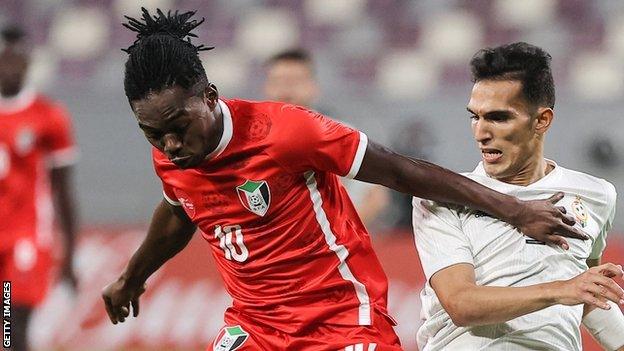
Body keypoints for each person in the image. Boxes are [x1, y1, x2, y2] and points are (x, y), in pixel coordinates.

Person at [102, 10, 587, 351]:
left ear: (209, 96)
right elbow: (176, 212)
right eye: (152, 132)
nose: (167, 145)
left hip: (339, 323)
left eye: (177, 127)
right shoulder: (172, 158)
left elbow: (400, 169)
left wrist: (515, 209)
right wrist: (131, 278)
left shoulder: (286, 132)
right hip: (255, 328)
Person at [413, 42, 624, 351]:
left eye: (498, 118)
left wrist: (578, 289)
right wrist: (560, 289)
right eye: (475, 116)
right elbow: (461, 304)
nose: (480, 133)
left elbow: (584, 292)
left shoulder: (597, 195)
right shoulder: (441, 198)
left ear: (541, 120)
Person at [0, 25, 78, 351]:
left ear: (29, 62)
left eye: (18, 58)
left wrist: (69, 256)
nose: (11, 66)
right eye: (6, 58)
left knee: (12, 322)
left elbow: (64, 192)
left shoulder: (48, 116)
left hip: (25, 236)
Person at [263, 48, 390, 229]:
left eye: (294, 81)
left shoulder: (340, 134)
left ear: (313, 86)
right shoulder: (247, 140)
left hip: (328, 248)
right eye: (278, 81)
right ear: (266, 86)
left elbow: (375, 196)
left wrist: (341, 234)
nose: (285, 90)